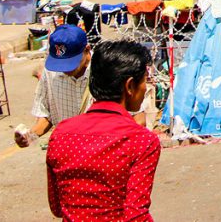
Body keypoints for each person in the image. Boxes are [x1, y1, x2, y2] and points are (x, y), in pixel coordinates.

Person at [46, 40, 160, 221]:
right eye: (144, 81)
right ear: (129, 86)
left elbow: (57, 206)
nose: (145, 88)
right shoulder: (140, 140)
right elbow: (136, 215)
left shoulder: (60, 134)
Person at [15, 25, 91, 148]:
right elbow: (46, 114)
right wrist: (30, 136)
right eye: (60, 63)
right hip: (67, 152)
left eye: (70, 63)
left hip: (99, 153)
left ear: (87, 50)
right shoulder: (51, 72)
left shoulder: (103, 70)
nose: (64, 70)